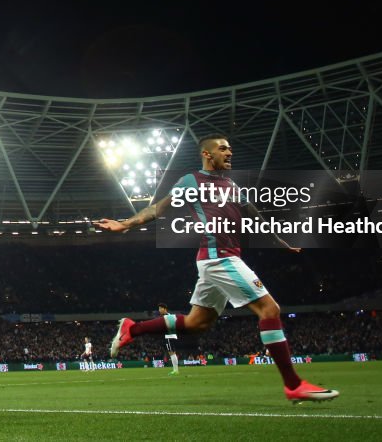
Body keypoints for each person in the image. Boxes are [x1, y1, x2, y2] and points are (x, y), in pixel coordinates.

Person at [94, 135, 339, 403]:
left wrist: (279, 241)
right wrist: (125, 224)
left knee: (196, 323)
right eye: (223, 149)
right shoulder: (192, 181)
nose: (229, 152)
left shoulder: (231, 185)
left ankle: (133, 328)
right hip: (218, 258)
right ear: (207, 155)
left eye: (230, 148)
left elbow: (253, 214)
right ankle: (293, 384)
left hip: (221, 258)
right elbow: (158, 209)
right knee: (269, 310)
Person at [157, 304, 180, 375]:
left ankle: (176, 370)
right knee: (172, 353)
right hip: (173, 336)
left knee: (171, 353)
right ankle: (176, 370)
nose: (159, 310)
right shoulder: (171, 315)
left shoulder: (166, 317)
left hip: (169, 336)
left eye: (160, 308)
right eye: (159, 308)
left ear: (165, 309)